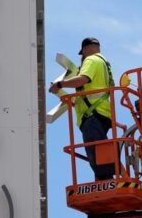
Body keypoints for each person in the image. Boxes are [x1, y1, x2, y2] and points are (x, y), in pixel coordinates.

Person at [49, 37, 115, 180]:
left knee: (95, 152)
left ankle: (106, 181)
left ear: (85, 49)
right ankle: (105, 178)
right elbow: (95, 90)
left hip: (92, 114)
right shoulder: (105, 65)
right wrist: (72, 101)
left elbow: (83, 79)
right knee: (101, 149)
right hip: (103, 113)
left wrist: (60, 85)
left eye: (83, 53)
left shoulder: (91, 60)